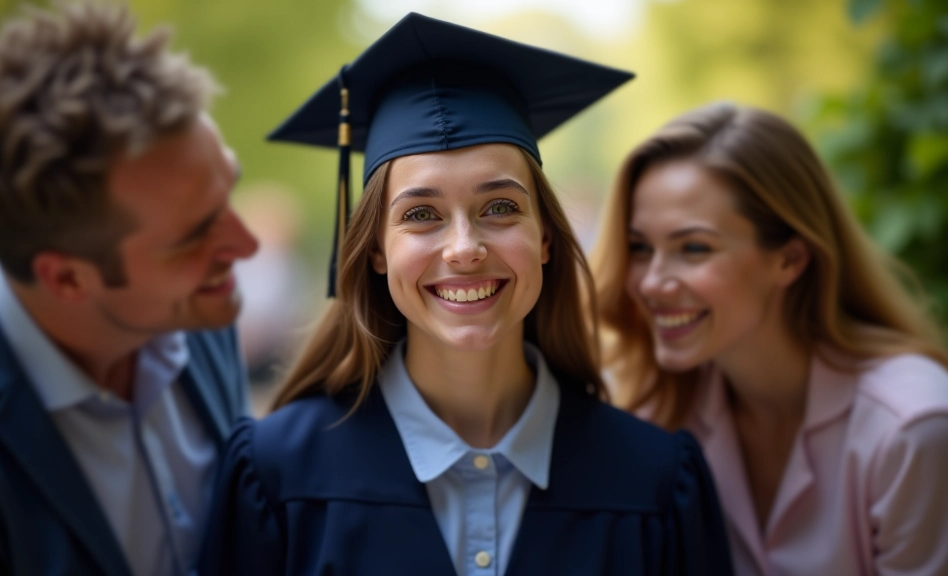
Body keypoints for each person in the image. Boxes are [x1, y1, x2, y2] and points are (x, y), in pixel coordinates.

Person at [200, 13, 733, 576]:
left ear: (546, 237)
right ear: (376, 250)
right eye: (421, 214)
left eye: (500, 208)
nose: (464, 248)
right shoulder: (276, 475)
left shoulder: (653, 481)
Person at [0, 3, 259, 575]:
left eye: (229, 189)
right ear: (67, 277)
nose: (245, 244)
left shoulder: (197, 307)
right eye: (194, 235)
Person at [591, 101, 948, 575]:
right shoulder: (655, 418)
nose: (651, 282)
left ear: (790, 260)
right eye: (640, 248)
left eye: (693, 248)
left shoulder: (910, 429)